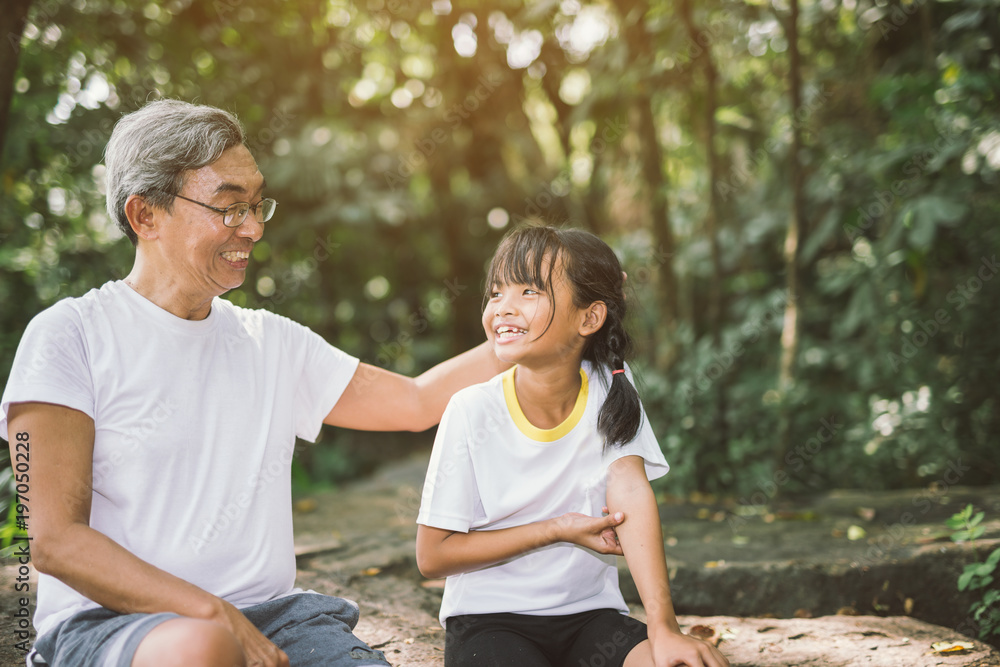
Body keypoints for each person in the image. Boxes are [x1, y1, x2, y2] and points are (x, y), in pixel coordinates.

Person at [0, 99, 511, 667]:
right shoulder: (70, 336)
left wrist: (524, 337)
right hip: (109, 624)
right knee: (202, 649)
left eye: (255, 204)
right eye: (228, 208)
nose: (254, 227)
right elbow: (52, 541)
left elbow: (415, 402)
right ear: (146, 215)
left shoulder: (271, 342)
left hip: (274, 617)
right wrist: (210, 614)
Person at [415, 226, 730, 667]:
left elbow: (632, 495)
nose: (503, 308)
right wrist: (555, 528)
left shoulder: (610, 388)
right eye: (495, 292)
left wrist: (663, 627)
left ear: (589, 318)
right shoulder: (470, 410)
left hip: (590, 620)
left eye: (528, 291)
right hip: (490, 624)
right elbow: (432, 556)